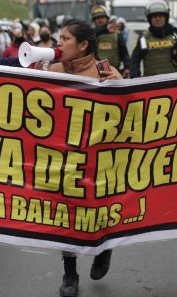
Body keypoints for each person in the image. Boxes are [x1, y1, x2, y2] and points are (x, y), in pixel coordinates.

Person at [41, 19, 121, 297]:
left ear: (83, 45)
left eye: (65, 39)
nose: (59, 44)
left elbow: (134, 110)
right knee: (66, 215)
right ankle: (70, 273)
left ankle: (104, 248)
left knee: (100, 209)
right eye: (59, 38)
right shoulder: (52, 70)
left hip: (99, 157)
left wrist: (122, 85)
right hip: (65, 155)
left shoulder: (105, 70)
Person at [130, 0, 177, 78]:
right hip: (151, 86)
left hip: (175, 85)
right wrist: (136, 82)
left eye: (161, 16)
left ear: (166, 17)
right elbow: (134, 62)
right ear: (149, 19)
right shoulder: (143, 39)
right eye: (154, 16)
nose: (158, 19)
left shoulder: (176, 36)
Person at [91, 5, 130, 77]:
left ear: (107, 18)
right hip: (96, 73)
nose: (100, 20)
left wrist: (127, 67)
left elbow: (124, 52)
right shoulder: (91, 35)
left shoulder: (117, 34)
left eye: (102, 17)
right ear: (93, 20)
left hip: (115, 71)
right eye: (97, 18)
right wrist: (105, 28)